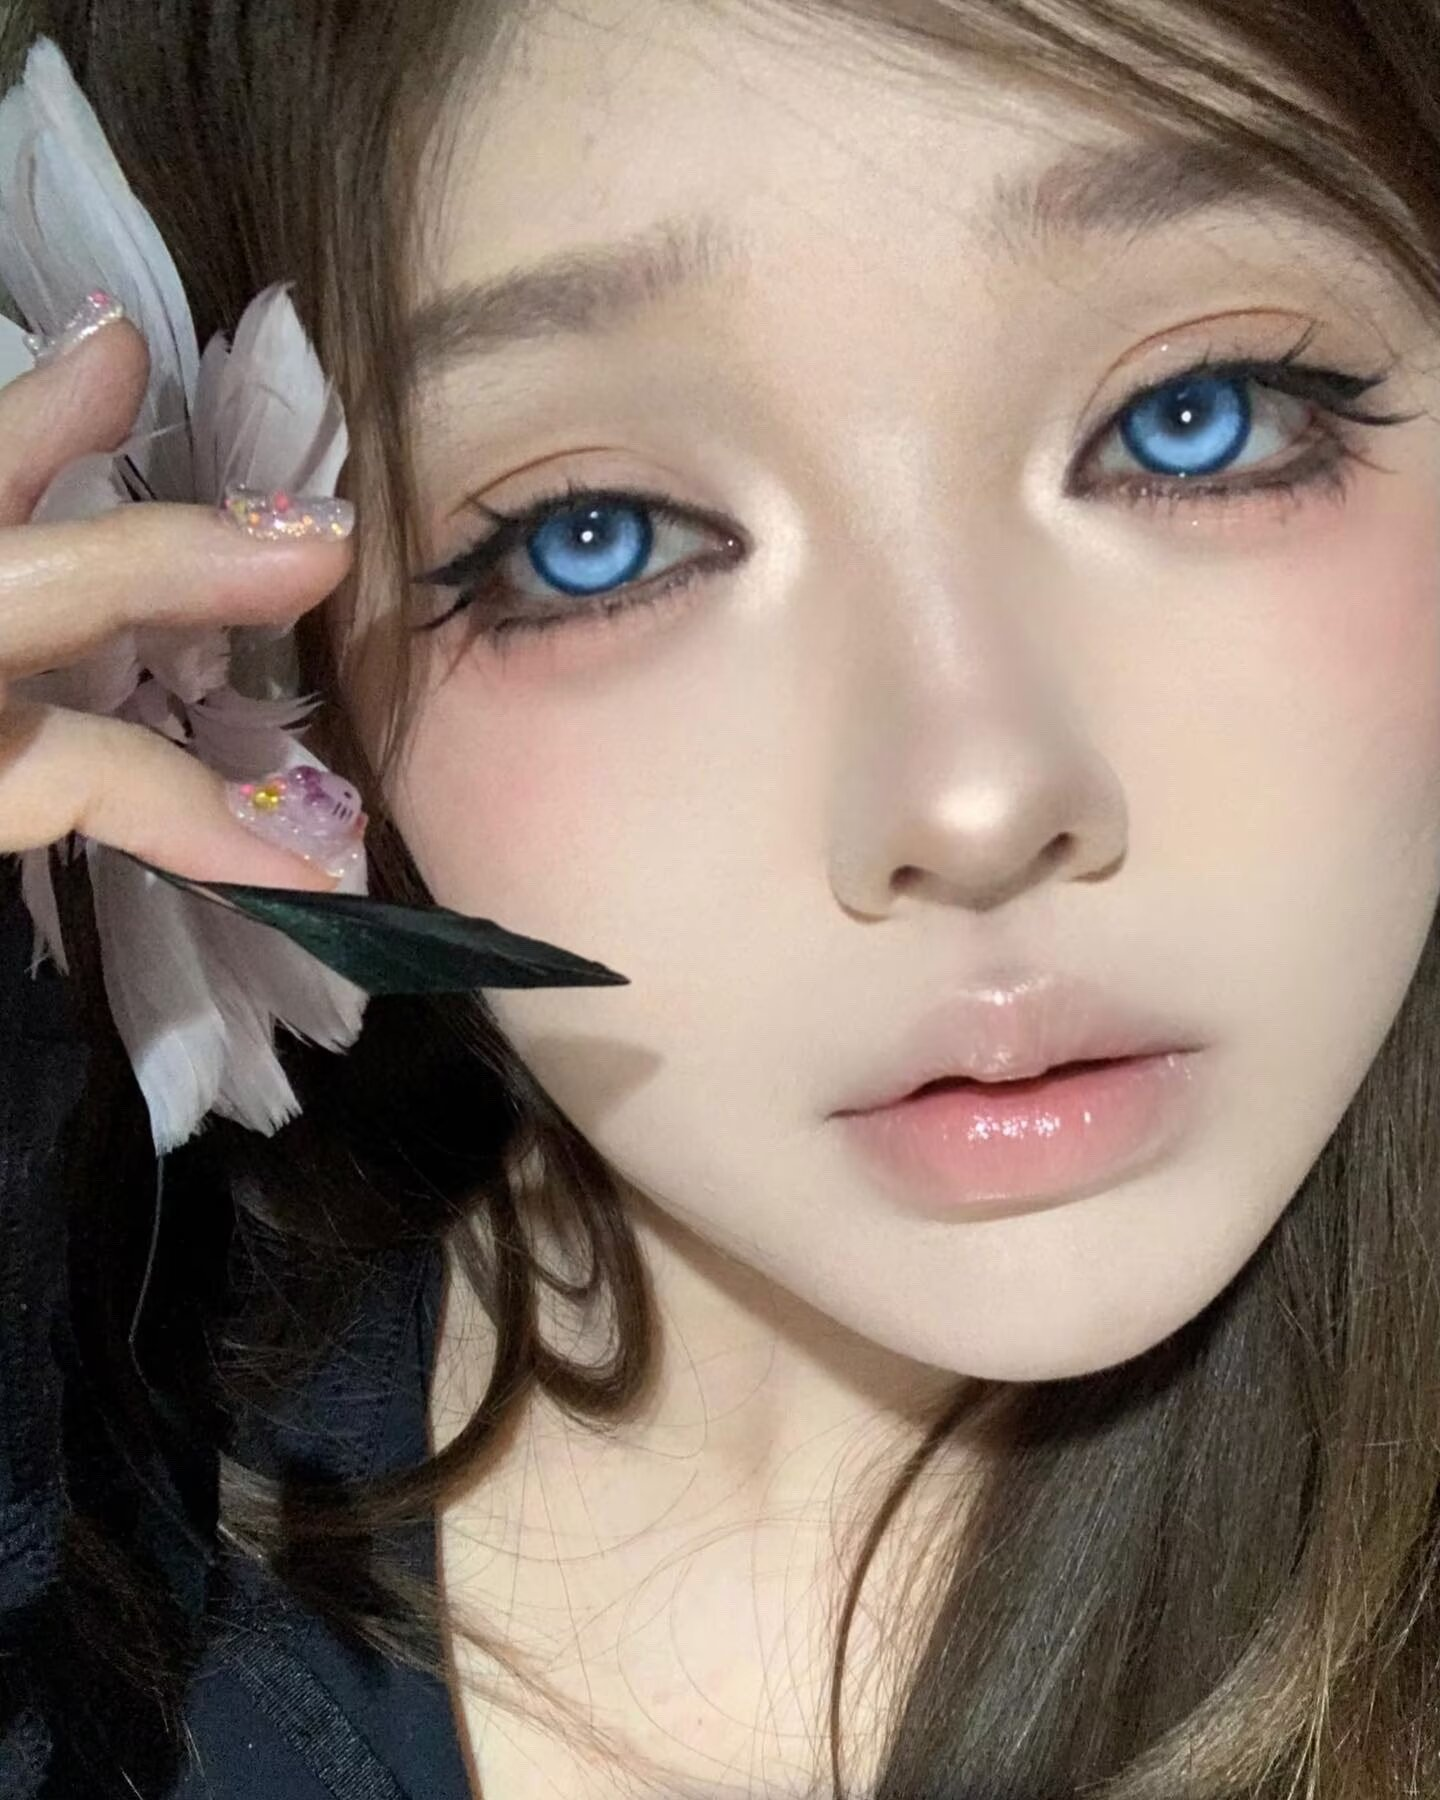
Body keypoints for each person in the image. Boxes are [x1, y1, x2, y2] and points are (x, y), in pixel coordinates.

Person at [4, 0, 1440, 1794]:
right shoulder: (83, 1478)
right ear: (259, 641)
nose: (975, 804)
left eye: (1197, 418)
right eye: (588, 533)